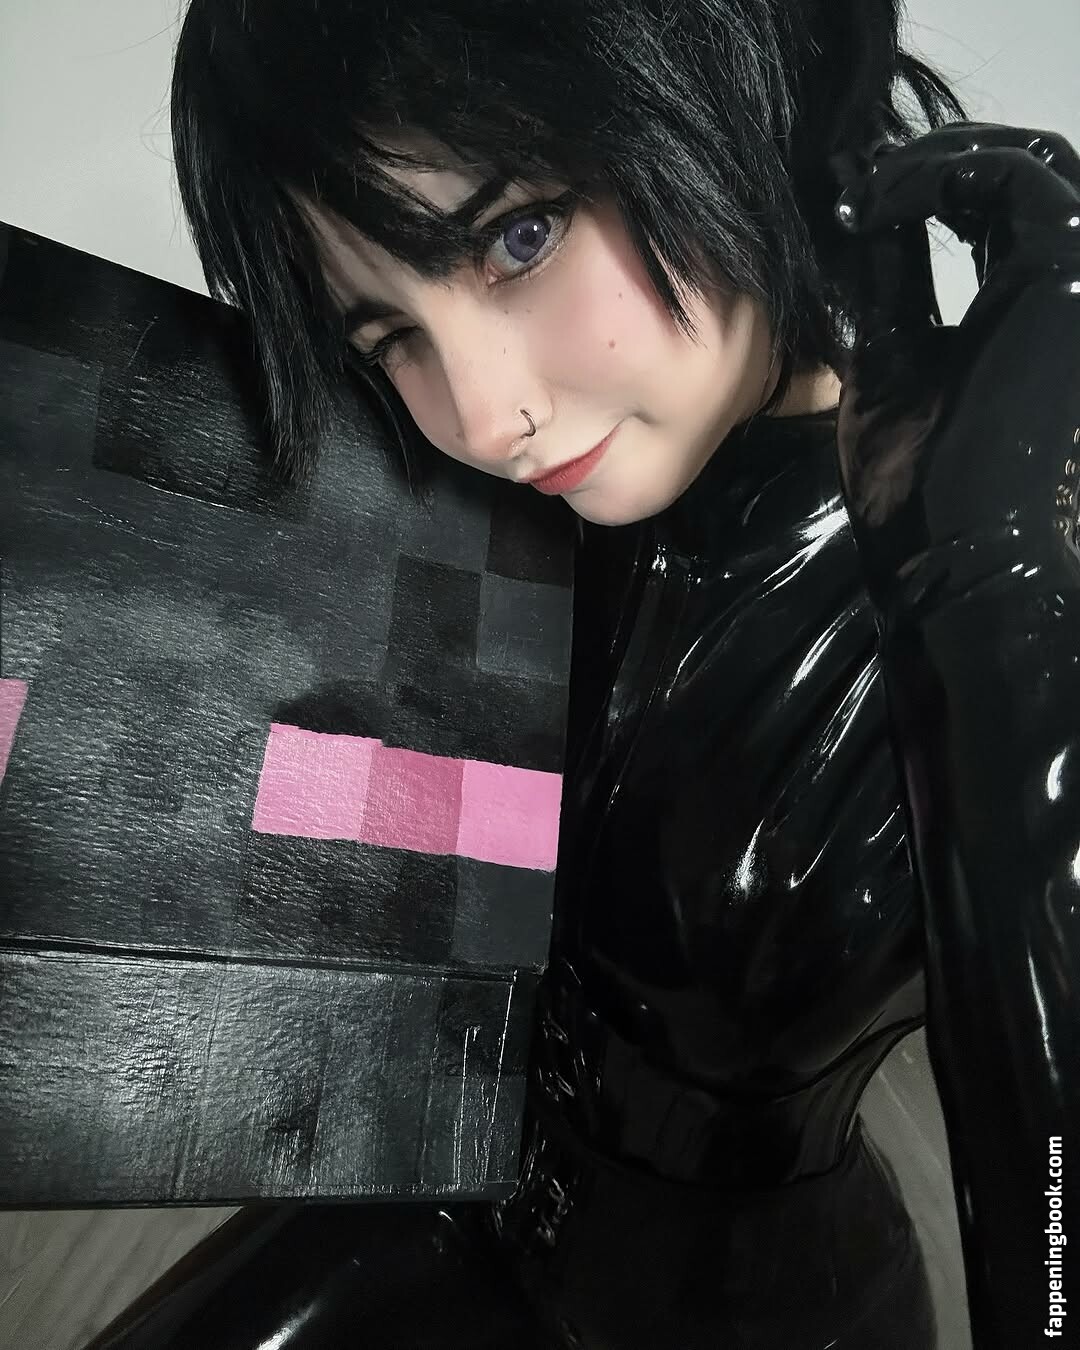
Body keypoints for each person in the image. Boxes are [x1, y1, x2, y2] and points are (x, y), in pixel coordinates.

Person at [95, 2, 1078, 1346]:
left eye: (521, 235)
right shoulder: (474, 512)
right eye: (387, 334)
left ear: (728, 77)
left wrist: (990, 607)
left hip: (757, 1309)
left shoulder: (966, 593)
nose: (483, 414)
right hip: (444, 1185)